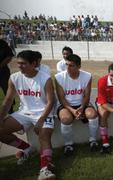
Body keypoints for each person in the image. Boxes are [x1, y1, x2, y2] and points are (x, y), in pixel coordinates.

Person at [0, 50, 55, 179]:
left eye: (23, 64)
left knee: (44, 135)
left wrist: (41, 120)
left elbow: (51, 101)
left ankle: (45, 169)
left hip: (43, 112)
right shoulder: (14, 77)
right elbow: (8, 99)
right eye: (18, 63)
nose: (19, 66)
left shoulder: (45, 78)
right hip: (24, 112)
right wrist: (1, 116)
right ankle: (27, 149)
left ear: (34, 63)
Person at [55, 54, 98, 155]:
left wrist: (82, 108)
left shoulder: (87, 76)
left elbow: (86, 96)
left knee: (92, 114)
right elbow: (61, 98)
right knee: (65, 118)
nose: (68, 68)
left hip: (82, 103)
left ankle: (93, 140)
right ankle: (68, 144)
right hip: (66, 105)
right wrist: (73, 111)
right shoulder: (59, 77)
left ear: (79, 66)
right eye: (67, 65)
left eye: (71, 65)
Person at [0, 39, 15, 113]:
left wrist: (1, 65)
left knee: (8, 91)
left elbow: (9, 56)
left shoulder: (3, 43)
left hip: (3, 72)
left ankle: (10, 112)